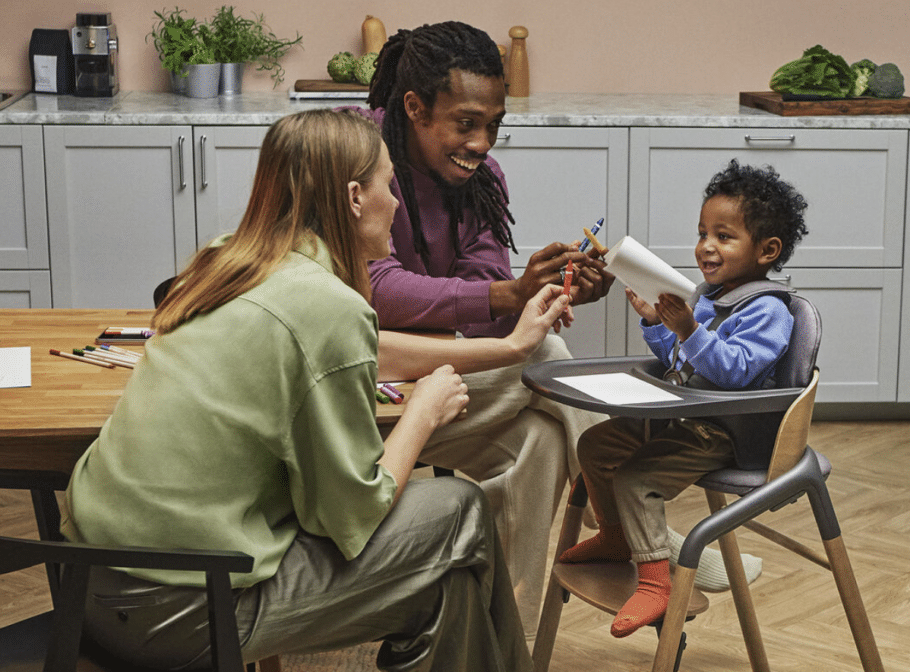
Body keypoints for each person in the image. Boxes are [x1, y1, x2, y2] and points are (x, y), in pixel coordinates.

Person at [59, 109, 571, 671]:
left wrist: (511, 347)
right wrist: (420, 416)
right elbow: (351, 514)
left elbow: (369, 347)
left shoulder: (229, 260)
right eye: (388, 185)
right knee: (458, 510)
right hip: (183, 610)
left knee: (445, 586)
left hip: (86, 579)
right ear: (355, 197)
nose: (396, 204)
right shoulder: (328, 307)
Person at [351, 20, 614, 636]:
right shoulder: (360, 157)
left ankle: (501, 640)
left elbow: (484, 280)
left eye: (494, 124)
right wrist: (507, 298)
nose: (483, 142)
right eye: (466, 122)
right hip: (356, 384)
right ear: (413, 106)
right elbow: (379, 291)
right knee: (542, 349)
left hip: (436, 384)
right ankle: (634, 514)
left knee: (541, 441)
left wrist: (537, 291)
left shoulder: (479, 180)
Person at [558, 159, 809, 638]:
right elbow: (684, 361)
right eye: (702, 233)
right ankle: (614, 538)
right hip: (684, 415)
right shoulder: (711, 296)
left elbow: (733, 372)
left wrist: (690, 327)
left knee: (636, 480)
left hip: (725, 431)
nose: (706, 247)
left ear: (767, 250)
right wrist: (659, 323)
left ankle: (656, 584)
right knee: (595, 446)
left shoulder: (768, 311)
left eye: (723, 236)